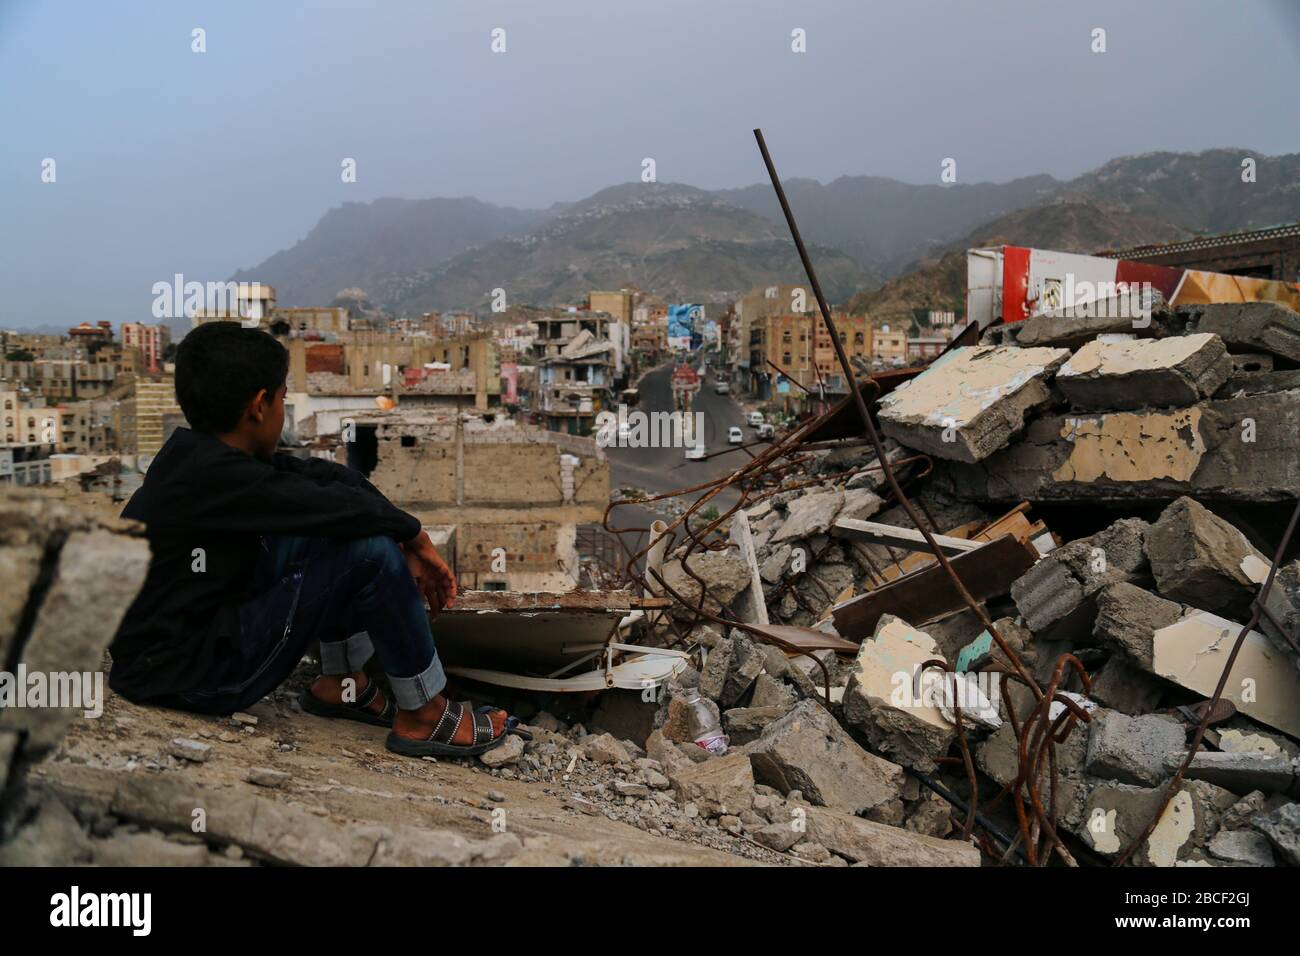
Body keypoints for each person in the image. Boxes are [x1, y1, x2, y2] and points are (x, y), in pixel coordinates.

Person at [109, 321, 510, 758]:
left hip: (174, 657)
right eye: (282, 398)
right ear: (260, 406)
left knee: (343, 530)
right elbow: (330, 504)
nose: (283, 409)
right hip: (192, 677)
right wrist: (410, 536)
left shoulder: (202, 459)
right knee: (370, 553)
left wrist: (408, 532)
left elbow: (325, 480)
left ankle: (340, 684)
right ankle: (424, 716)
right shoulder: (217, 478)